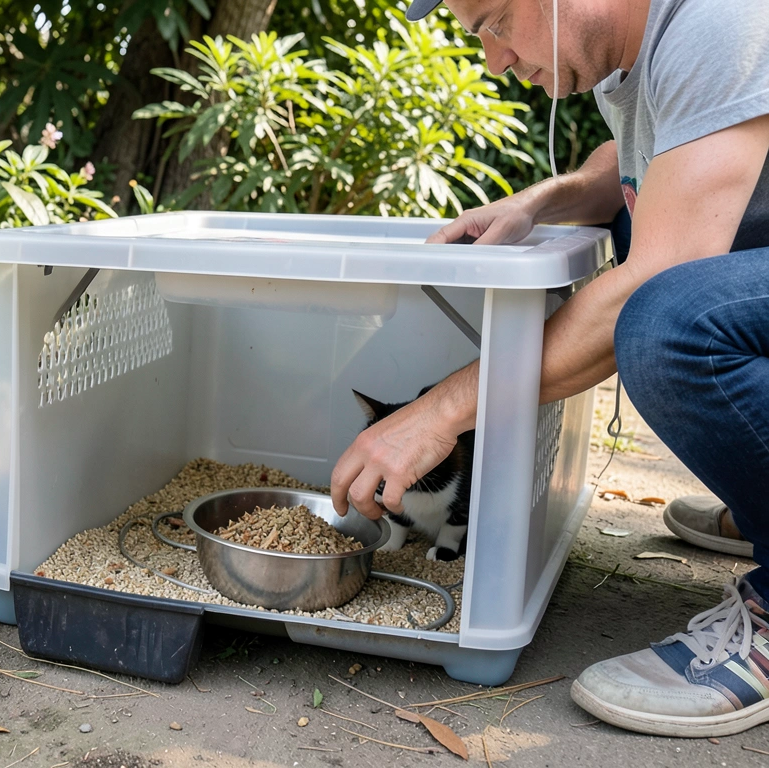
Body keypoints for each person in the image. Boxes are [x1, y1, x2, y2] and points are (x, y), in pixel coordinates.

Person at [329, 0, 769, 738]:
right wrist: (541, 201)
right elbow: (634, 168)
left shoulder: (720, 19)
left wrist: (439, 411)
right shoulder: (626, 59)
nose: (496, 60)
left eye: (496, 21)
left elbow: (666, 267)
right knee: (643, 253)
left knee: (669, 321)